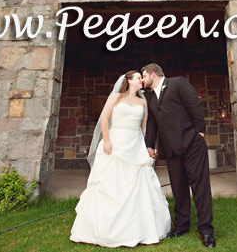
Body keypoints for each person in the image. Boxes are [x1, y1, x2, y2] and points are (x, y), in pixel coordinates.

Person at [70, 70, 171, 248]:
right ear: (129, 81)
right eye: (139, 78)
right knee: (112, 183)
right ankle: (104, 228)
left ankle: (140, 228)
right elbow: (104, 120)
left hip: (135, 144)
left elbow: (144, 128)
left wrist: (148, 146)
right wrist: (107, 141)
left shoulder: (142, 101)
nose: (142, 80)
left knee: (138, 183)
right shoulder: (116, 97)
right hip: (116, 143)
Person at [142, 63, 216, 248]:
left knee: (200, 187)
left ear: (153, 74)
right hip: (171, 150)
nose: (142, 80)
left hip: (192, 143)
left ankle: (206, 230)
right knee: (178, 188)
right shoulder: (150, 98)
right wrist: (150, 144)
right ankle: (181, 225)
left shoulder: (178, 83)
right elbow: (152, 122)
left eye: (143, 76)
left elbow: (194, 105)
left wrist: (200, 132)